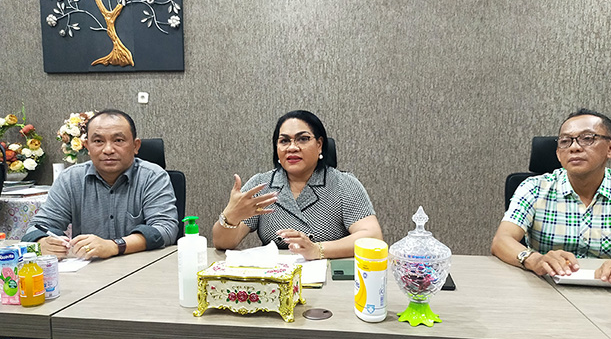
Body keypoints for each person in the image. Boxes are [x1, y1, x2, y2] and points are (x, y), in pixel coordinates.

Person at [491, 108, 611, 287]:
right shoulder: (534, 188)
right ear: (558, 154)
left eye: (587, 138)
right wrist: (534, 259)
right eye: (565, 141)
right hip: (545, 287)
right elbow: (502, 240)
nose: (574, 147)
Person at [212, 110, 383, 260]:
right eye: (284, 141)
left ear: (319, 145)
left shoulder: (343, 184)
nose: (292, 148)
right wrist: (231, 217)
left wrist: (317, 250)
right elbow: (222, 243)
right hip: (276, 278)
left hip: (327, 277)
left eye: (303, 139)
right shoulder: (261, 185)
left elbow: (372, 237)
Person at [23, 109, 179, 259]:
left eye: (118, 140)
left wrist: (114, 246)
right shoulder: (70, 179)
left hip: (142, 268)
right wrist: (42, 242)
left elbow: (165, 229)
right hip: (88, 270)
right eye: (98, 141)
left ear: (135, 146)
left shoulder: (152, 176)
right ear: (87, 146)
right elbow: (36, 228)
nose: (108, 149)